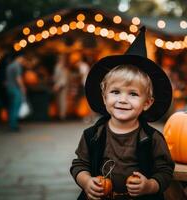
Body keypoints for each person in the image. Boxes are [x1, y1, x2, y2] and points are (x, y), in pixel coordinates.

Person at [70, 27, 174, 200]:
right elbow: (79, 164)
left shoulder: (153, 138)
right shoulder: (92, 135)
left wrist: (150, 186)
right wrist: (86, 182)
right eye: (115, 92)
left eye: (133, 94)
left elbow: (165, 171)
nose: (123, 100)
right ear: (104, 97)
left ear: (147, 103)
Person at [5, 54, 27, 131]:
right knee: (16, 107)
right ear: (20, 58)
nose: (23, 61)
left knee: (11, 107)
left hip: (9, 88)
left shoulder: (9, 66)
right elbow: (18, 78)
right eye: (23, 60)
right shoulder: (17, 66)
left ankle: (11, 123)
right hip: (15, 88)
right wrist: (23, 87)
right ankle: (14, 125)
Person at [53, 54, 69, 120]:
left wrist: (58, 85)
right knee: (59, 101)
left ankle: (62, 116)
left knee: (62, 101)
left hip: (61, 86)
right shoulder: (59, 66)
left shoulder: (62, 67)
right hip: (59, 85)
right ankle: (60, 115)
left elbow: (63, 78)